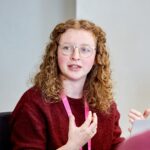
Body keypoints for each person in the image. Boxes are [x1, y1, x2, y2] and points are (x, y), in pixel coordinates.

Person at [10, 19, 125, 150]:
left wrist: (140, 137)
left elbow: (115, 145)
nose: (75, 56)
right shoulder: (33, 102)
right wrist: (72, 146)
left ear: (96, 58)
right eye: (66, 48)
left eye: (85, 49)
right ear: (55, 53)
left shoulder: (105, 104)